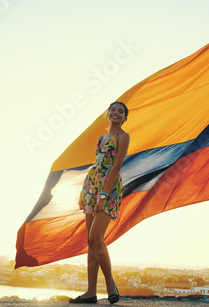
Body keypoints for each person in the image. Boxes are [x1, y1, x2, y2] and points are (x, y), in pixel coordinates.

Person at [69, 102, 130, 304]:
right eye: (113, 109)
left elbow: (116, 166)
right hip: (91, 185)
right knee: (90, 242)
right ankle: (90, 292)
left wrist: (104, 196)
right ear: (108, 113)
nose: (116, 113)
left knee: (96, 237)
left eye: (120, 111)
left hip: (109, 189)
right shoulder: (100, 138)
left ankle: (111, 284)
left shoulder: (123, 137)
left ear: (124, 118)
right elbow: (97, 163)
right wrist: (88, 191)